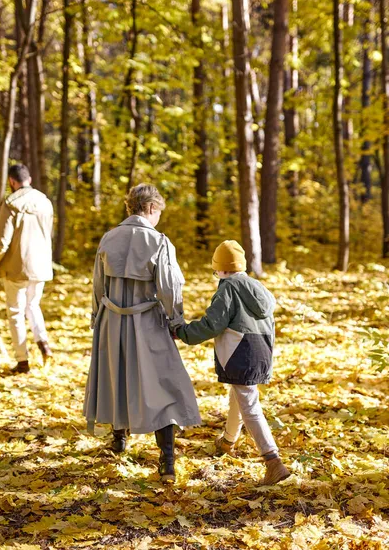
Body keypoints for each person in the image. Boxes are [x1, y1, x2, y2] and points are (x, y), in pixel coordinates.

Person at [83, 184, 201, 482]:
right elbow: (169, 288)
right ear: (150, 208)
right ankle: (167, 459)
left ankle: (119, 440)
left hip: (112, 321)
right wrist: (176, 322)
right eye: (159, 211)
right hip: (146, 323)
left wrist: (98, 317)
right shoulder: (158, 241)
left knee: (116, 376)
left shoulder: (109, 238)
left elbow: (98, 285)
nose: (159, 217)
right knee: (163, 384)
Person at [173, 240, 290, 486]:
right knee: (238, 395)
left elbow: (212, 324)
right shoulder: (258, 287)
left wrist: (183, 332)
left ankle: (273, 460)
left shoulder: (227, 288)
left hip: (240, 351)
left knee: (249, 405)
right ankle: (227, 441)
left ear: (221, 269)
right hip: (262, 351)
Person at [0, 164, 53, 374]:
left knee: (16, 312)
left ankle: (22, 361)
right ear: (30, 180)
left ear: (12, 182)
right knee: (33, 305)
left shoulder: (10, 203)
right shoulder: (44, 202)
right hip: (40, 265)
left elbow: (1, 242)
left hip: (17, 267)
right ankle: (44, 344)